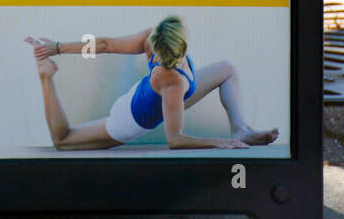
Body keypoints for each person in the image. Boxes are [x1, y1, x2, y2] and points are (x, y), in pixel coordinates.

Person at [26, 17, 278, 150]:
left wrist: (59, 47)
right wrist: (57, 48)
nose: (155, 58)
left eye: (163, 56)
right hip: (129, 119)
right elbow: (175, 140)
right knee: (63, 141)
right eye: (154, 53)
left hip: (161, 96)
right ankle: (46, 76)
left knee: (227, 69)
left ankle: (240, 129)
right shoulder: (168, 74)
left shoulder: (173, 75)